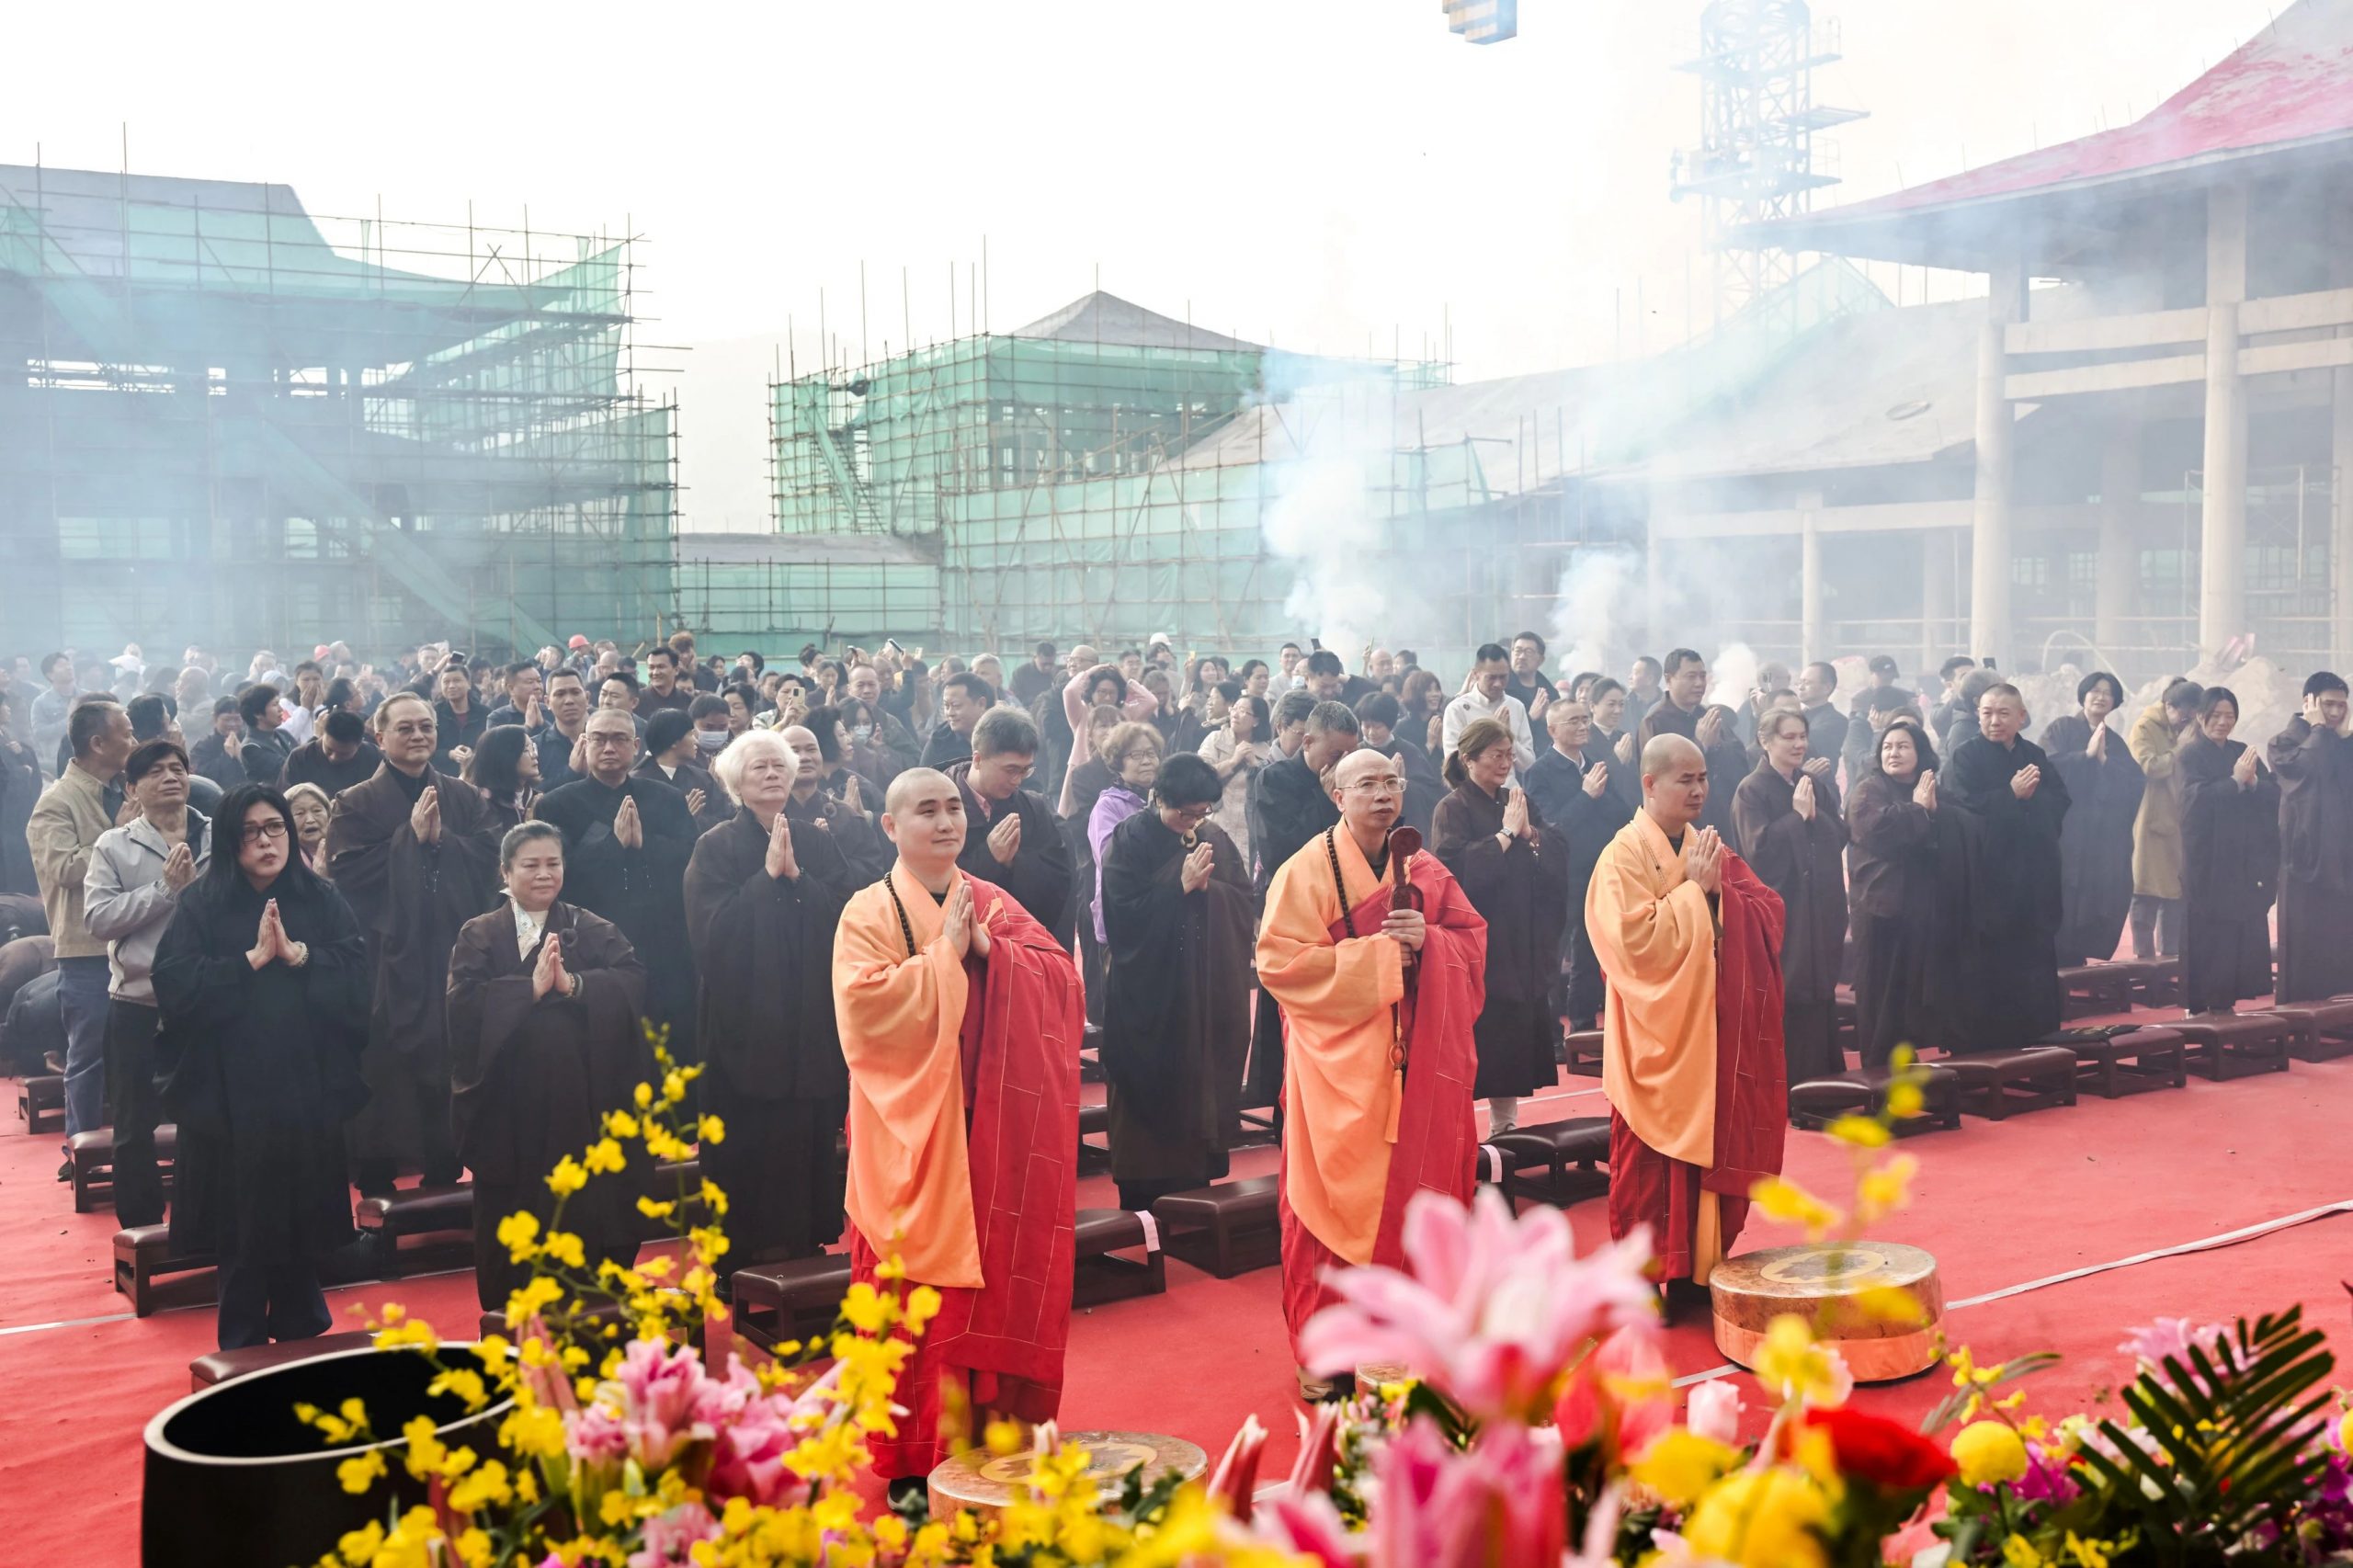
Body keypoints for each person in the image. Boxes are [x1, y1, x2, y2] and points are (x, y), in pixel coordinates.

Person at [832, 768, 1084, 1497]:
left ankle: (995, 1446)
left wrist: (988, 952)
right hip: (914, 1133)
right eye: (925, 811)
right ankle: (915, 1464)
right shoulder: (867, 911)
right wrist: (948, 955)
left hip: (992, 1128)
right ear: (889, 826)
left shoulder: (995, 901)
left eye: (952, 810)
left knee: (995, 1289)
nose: (945, 823)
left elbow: (1062, 980)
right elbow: (865, 1012)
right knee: (914, 1301)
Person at [1256, 747, 1485, 1392]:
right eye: (1366, 784)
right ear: (1336, 793)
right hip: (1335, 1068)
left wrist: (1431, 943)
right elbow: (1279, 966)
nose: (1382, 794)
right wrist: (1386, 956)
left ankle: (1407, 1349)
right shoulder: (1304, 871)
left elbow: (1470, 938)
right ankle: (1326, 1360)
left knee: (1411, 1204)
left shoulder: (1425, 868)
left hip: (1415, 1065)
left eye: (1391, 781)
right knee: (1323, 1208)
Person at [153, 784, 369, 1349]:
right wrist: (248, 962)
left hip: (304, 1086)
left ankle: (305, 1335)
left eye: (275, 827)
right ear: (230, 841)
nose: (266, 841)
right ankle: (242, 1344)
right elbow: (173, 982)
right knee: (243, 1229)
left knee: (300, 1223)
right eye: (250, 831)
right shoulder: (202, 903)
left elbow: (356, 969)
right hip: (231, 1096)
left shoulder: (320, 897)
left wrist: (300, 956)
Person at [1586, 734, 1785, 1296]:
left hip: (1708, 1032)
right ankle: (1648, 1282)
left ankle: (1701, 1269)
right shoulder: (1620, 856)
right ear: (1650, 784)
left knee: (1708, 1157)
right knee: (1647, 1168)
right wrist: (1697, 894)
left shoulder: (1708, 845)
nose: (1699, 790)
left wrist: (1722, 895)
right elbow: (1630, 943)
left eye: (1702, 779)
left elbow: (1768, 909)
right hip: (1653, 1035)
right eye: (1685, 780)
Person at [447, 822, 651, 1312]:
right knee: (518, 1208)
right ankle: (514, 1311)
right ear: (505, 871)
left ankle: (590, 1302)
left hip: (585, 1104)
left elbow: (634, 981)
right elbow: (462, 1007)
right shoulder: (480, 934)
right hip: (512, 1111)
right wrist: (529, 990)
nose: (544, 874)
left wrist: (575, 985)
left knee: (587, 1201)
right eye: (530, 864)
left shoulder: (592, 927)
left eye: (553, 863)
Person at [685, 732, 857, 1272]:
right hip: (746, 1023)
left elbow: (847, 913)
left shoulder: (817, 841)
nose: (773, 774)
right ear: (737, 781)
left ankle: (805, 1245)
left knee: (806, 1135)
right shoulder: (715, 845)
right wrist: (765, 881)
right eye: (759, 766)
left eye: (780, 766)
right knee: (744, 1141)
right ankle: (737, 1260)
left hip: (807, 1016)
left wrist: (798, 877)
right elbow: (710, 932)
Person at [325, 692, 502, 1194]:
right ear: (379, 738)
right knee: (384, 1062)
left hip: (450, 948)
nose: (419, 735)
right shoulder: (354, 802)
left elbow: (490, 856)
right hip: (387, 957)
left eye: (426, 726)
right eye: (405, 728)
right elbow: (347, 871)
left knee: (448, 1056)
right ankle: (378, 1176)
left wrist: (440, 842)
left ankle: (444, 1168)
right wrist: (411, 841)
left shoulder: (463, 797)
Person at [1098, 753, 1254, 1210]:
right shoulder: (1128, 841)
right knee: (1148, 1089)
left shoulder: (1212, 837)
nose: (1191, 821)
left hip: (1202, 993)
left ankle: (1195, 1195)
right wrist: (1177, 887)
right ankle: (1143, 1198)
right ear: (1157, 798)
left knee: (1200, 1082)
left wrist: (1210, 892)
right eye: (1182, 812)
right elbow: (1121, 919)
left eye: (1201, 812)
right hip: (1148, 992)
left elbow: (1243, 900)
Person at [83, 738, 210, 1226]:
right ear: (132, 788)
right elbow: (98, 919)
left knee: (209, 1115)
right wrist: (164, 891)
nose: (171, 777)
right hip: (138, 1001)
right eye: (156, 771)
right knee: (134, 1124)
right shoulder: (113, 845)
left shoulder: (218, 835)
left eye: (178, 767)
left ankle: (206, 1216)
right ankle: (139, 1226)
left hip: (206, 999)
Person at [531, 710, 701, 1064]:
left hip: (661, 936)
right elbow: (556, 874)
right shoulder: (556, 804)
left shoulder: (666, 797)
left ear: (637, 746)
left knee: (665, 1038)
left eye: (620, 739)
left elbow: (691, 858)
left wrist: (643, 844)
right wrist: (612, 846)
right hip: (592, 938)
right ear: (585, 744)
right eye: (600, 739)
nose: (609, 747)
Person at [1433, 716, 1567, 1135]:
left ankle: (1505, 1127)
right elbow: (1452, 868)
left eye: (1510, 754)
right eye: (1496, 755)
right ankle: (1459, 1132)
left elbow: (1556, 847)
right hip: (1479, 940)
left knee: (1512, 1032)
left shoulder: (1517, 797)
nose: (1505, 763)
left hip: (1521, 935)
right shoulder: (1451, 807)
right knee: (1481, 1031)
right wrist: (1507, 835)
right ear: (1469, 758)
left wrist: (1531, 835)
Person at [29, 697, 135, 1168]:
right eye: (127, 733)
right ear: (98, 743)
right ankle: (82, 1152)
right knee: (88, 1056)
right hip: (86, 949)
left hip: (134, 942)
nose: (134, 742)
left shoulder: (124, 790)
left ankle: (142, 1146)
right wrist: (117, 835)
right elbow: (65, 868)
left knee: (141, 1053)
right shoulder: (57, 801)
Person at [1244, 699, 1360, 1108]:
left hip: (1345, 917)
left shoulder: (1354, 780)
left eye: (1351, 753)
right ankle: (1284, 1116)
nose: (1344, 763)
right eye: (1336, 754)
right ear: (1306, 741)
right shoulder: (1273, 780)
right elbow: (1281, 852)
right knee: (1289, 1029)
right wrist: (1328, 799)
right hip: (1294, 920)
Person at [1942, 683, 2073, 1050]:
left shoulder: (2033, 754)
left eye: (2003, 713)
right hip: (1989, 883)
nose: (1994, 721)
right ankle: (1991, 1048)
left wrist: (2028, 804)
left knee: (2034, 963)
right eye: (1986, 713)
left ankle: (2039, 1040)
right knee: (1992, 967)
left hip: (2032, 880)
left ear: (2022, 717)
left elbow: (2059, 800)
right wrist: (2011, 797)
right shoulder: (1965, 756)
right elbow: (1961, 810)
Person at [1733, 710, 1848, 1084]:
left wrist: (1813, 817)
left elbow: (1840, 833)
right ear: (1766, 741)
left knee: (1820, 988)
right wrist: (1797, 819)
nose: (1799, 744)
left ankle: (1824, 1075)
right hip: (1784, 909)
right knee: (1789, 987)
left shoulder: (1811, 782)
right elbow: (1757, 851)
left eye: (1802, 736)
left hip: (1817, 904)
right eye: (1789, 737)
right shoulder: (1751, 789)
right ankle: (1786, 1082)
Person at [1846, 718, 1958, 1065]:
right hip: (1881, 907)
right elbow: (1878, 829)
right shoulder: (1868, 788)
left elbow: (1951, 829)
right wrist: (1920, 811)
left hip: (1921, 909)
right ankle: (1878, 1070)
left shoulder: (1931, 787)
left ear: (1920, 752)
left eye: (1903, 746)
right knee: (1881, 993)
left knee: (1913, 992)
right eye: (1888, 747)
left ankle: (1910, 1063)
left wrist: (1932, 814)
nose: (1893, 753)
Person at [1525, 696, 1634, 1032]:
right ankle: (1548, 1032)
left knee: (1591, 951)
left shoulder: (1596, 763)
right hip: (1561, 874)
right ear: (1552, 729)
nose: (1582, 725)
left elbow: (1620, 812)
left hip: (1600, 869)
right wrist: (1586, 796)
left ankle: (1584, 1025)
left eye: (1584, 719)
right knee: (1553, 953)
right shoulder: (1539, 772)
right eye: (1573, 721)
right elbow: (1552, 827)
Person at [2177, 687, 2279, 1017]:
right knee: (2206, 932)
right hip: (2206, 862)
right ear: (2200, 716)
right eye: (2216, 715)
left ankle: (2227, 999)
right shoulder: (2189, 754)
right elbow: (2191, 803)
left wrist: (2252, 784)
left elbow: (2273, 793)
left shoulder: (2242, 751)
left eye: (2230, 716)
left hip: (2241, 863)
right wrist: (2235, 781)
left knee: (2236, 932)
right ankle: (2198, 1003)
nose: (2223, 722)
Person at [2040, 673, 2146, 967]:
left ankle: (2078, 955)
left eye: (2107, 693)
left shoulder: (2114, 741)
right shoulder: (2060, 728)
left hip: (2101, 836)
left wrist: (2104, 762)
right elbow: (2046, 765)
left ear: (2115, 702)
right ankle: (2057, 956)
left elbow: (2136, 782)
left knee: (2096, 891)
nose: (2100, 697)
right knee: (2064, 889)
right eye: (2094, 691)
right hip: (2067, 830)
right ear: (2083, 695)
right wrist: (2084, 756)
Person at [949, 707, 1074, 946]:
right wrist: (989, 857)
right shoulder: (942, 805)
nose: (1017, 780)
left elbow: (1058, 881)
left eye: (1025, 770)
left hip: (1021, 948)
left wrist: (1013, 863)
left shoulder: (1032, 808)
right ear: (977, 759)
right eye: (1010, 770)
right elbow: (934, 881)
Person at [2267, 671, 2353, 1002]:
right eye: (2328, 704)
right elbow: (2304, 772)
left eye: (2341, 706)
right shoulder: (2283, 742)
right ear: (2309, 702)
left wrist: (2345, 741)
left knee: (2341, 933)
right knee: (2306, 936)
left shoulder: (2340, 740)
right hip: (2304, 855)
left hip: (2342, 855)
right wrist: (2317, 731)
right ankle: (2301, 1008)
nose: (2335, 712)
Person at [1637, 651, 1747, 836]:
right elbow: (1658, 776)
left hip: (1719, 817)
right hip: (1677, 826)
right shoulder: (1655, 722)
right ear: (1669, 679)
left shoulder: (1708, 716)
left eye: (1702, 676)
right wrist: (1700, 745)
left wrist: (1717, 747)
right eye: (1691, 676)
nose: (1699, 683)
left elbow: (1740, 764)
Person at [777, 723, 892, 884]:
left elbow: (871, 873)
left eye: (811, 749)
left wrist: (829, 856)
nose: (804, 757)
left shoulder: (846, 815)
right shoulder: (768, 817)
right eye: (794, 751)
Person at [1086, 722, 1164, 946]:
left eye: (1151, 753)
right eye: (1136, 755)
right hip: (1123, 914)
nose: (1147, 761)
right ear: (1118, 761)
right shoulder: (1108, 806)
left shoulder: (1165, 797)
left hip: (1162, 909)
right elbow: (1109, 860)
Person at [1197, 691, 1272, 867]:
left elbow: (1269, 790)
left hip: (1248, 830)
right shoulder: (1215, 739)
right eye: (1234, 708)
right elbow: (1200, 777)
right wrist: (1233, 761)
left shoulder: (1265, 751)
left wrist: (1255, 765)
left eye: (1243, 711)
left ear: (1256, 721)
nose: (1235, 714)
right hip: (1216, 822)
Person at [1442, 643, 1536, 781]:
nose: (1498, 683)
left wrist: (1509, 737)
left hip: (1509, 793)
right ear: (1475, 674)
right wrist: (1494, 732)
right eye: (1491, 678)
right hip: (1472, 794)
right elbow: (1454, 764)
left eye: (1503, 677)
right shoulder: (1457, 709)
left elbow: (1528, 764)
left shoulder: (1516, 706)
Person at [1354, 691, 1442, 836]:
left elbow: (1431, 792)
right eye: (1366, 726)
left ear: (1390, 725)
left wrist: (1400, 784)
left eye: (1377, 727)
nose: (1371, 732)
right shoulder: (1356, 753)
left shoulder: (1408, 751)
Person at [636, 709, 730, 835]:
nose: (696, 741)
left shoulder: (702, 778)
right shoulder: (638, 783)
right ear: (674, 741)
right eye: (691, 735)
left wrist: (693, 820)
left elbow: (726, 819)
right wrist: (680, 818)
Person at [0, 692, 46, 897]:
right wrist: (22, 772)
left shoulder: (5, 733)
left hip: (18, 811)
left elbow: (21, 756)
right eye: (3, 706)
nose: (7, 709)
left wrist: (22, 755)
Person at [280, 709, 382, 799]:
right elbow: (287, 798)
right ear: (323, 735)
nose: (333, 757)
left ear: (359, 744)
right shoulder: (300, 758)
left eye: (343, 754)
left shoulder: (373, 755)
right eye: (329, 750)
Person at [535, 668, 594, 791]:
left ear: (587, 698)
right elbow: (533, 794)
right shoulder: (535, 748)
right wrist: (571, 772)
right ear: (547, 702)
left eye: (575, 692)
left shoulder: (606, 742)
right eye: (560, 694)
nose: (569, 701)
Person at [237, 684, 297, 784]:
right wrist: (316, 736)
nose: (281, 709)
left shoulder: (283, 734)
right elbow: (288, 770)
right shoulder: (251, 747)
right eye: (275, 705)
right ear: (257, 713)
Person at [1794, 663, 1847, 768]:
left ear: (1827, 688)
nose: (1800, 687)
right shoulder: (1798, 716)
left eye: (1807, 683)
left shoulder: (1836, 721)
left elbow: (1809, 742)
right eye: (1800, 682)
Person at [1505, 631, 1556, 719]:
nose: (1522, 657)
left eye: (1529, 652)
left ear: (1541, 660)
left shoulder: (1550, 693)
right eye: (1518, 651)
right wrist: (1531, 717)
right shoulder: (1502, 688)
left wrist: (1546, 719)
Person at [284, 782, 332, 869]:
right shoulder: (286, 862)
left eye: (317, 810)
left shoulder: (344, 847)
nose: (310, 820)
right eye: (300, 813)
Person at [639, 646, 693, 715]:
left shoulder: (688, 701)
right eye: (651, 667)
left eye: (661, 667)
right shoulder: (637, 701)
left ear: (676, 670)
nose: (655, 672)